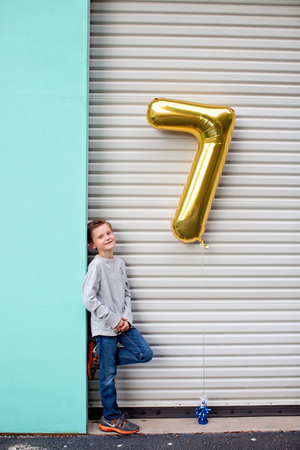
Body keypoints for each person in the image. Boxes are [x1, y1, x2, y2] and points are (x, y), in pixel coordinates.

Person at [82, 219, 153, 434]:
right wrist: (113, 320)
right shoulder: (96, 266)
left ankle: (99, 358)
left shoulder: (120, 264)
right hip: (105, 328)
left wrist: (127, 320)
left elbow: (126, 294)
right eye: (100, 236)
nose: (107, 238)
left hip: (124, 324)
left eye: (108, 233)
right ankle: (110, 418)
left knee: (145, 353)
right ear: (93, 245)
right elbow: (89, 299)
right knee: (108, 375)